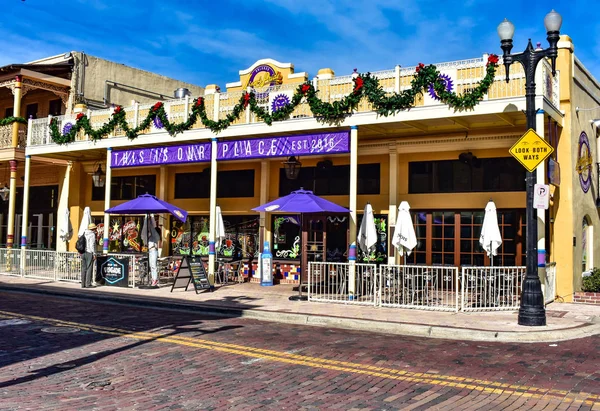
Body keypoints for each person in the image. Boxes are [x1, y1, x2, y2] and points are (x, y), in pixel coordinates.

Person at [143, 215, 162, 287]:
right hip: (150, 251)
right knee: (151, 265)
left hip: (153, 250)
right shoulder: (151, 237)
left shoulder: (156, 236)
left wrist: (150, 221)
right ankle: (153, 279)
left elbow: (152, 228)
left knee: (154, 265)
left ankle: (155, 279)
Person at [81, 223, 97, 288]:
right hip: (89, 252)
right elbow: (92, 245)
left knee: (83, 268)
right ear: (93, 229)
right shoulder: (92, 234)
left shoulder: (84, 233)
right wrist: (94, 254)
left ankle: (83, 284)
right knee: (89, 268)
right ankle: (88, 284)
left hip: (83, 252)